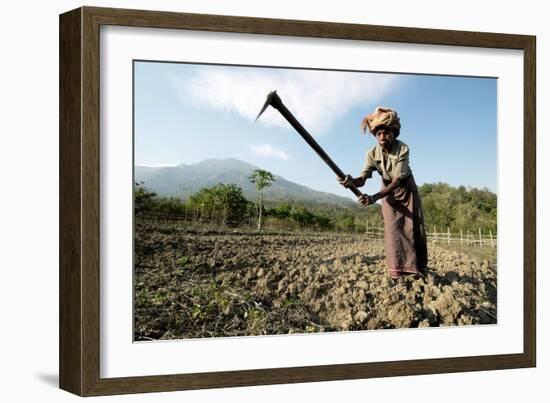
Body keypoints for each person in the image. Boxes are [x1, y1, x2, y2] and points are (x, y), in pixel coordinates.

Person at [338, 106, 428, 286]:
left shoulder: (402, 148)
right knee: (393, 229)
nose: (382, 137)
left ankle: (418, 268)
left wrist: (373, 197)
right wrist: (351, 181)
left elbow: (397, 181)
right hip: (387, 191)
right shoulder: (371, 153)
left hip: (405, 189)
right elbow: (363, 179)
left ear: (393, 133)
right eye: (378, 134)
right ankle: (397, 273)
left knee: (414, 227)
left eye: (385, 133)